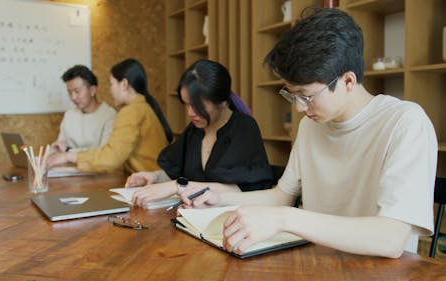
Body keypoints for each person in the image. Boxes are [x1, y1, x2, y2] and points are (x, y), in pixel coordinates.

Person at [179, 8, 437, 258]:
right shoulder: (311, 125)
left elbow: (391, 238)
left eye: (307, 96)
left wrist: (286, 218)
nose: (300, 108)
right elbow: (282, 195)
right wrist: (220, 199)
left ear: (347, 81)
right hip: (314, 262)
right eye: (292, 95)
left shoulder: (404, 122)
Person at [128, 59, 274, 208]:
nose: (190, 113)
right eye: (186, 104)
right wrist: (154, 177)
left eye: (197, 106)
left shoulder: (243, 128)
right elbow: (176, 172)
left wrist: (177, 186)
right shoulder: (194, 130)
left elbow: (242, 189)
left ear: (222, 102)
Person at [48, 58, 173, 174]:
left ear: (124, 84)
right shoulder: (141, 107)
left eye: (111, 84)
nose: (109, 90)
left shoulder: (131, 112)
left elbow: (110, 159)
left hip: (152, 183)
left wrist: (68, 155)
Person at [52, 65, 117, 152]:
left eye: (77, 91)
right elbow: (59, 147)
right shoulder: (69, 115)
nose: (73, 97)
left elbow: (103, 155)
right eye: (69, 92)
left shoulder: (109, 115)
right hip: (68, 165)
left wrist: (69, 150)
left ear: (92, 90)